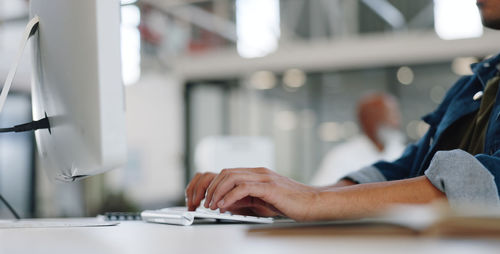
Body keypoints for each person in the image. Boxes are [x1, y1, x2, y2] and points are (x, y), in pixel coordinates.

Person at [185, 0, 500, 221]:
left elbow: (488, 180)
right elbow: (407, 171)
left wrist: (314, 201)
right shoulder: (472, 85)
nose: (395, 119)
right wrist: (286, 198)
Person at [311, 93, 406, 186]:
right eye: (388, 115)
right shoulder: (341, 156)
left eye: (395, 115)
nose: (396, 122)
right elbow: (324, 194)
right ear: (366, 119)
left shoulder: (404, 153)